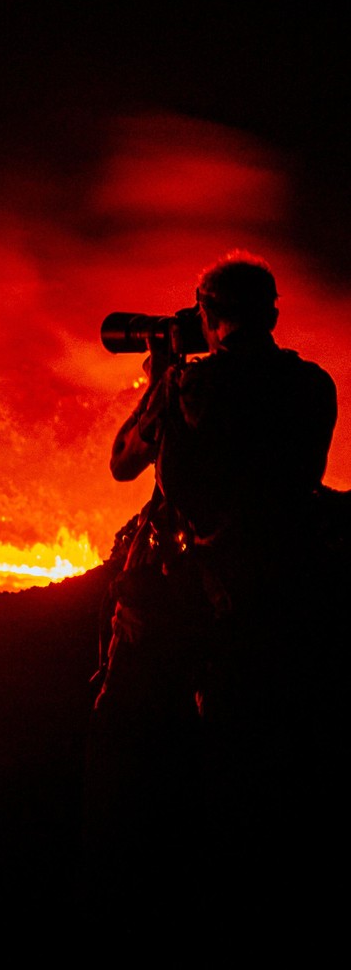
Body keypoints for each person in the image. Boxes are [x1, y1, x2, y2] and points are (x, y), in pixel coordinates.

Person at [93, 254, 336, 862]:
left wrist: (162, 379)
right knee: (264, 754)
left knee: (133, 733)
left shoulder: (192, 386)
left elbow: (124, 462)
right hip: (285, 587)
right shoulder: (314, 385)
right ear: (273, 313)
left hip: (199, 596)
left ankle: (132, 864)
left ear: (206, 314)